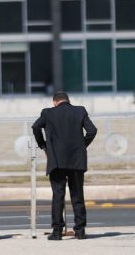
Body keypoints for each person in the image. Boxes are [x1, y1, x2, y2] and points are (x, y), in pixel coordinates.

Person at [32, 92, 97, 240]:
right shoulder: (80, 111)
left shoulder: (48, 113)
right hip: (76, 160)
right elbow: (92, 130)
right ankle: (80, 231)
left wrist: (43, 146)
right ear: (68, 100)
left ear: (54, 102)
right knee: (77, 195)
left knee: (58, 196)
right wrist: (82, 145)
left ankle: (57, 231)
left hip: (56, 160)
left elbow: (36, 127)